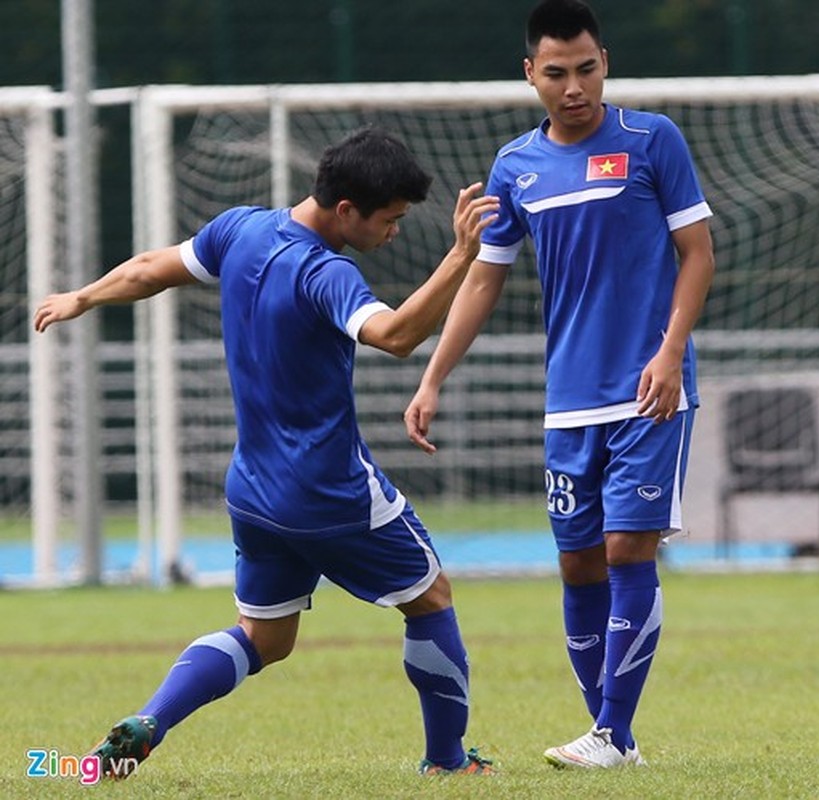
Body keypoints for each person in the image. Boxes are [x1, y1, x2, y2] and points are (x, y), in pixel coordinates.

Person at [34, 127, 500, 778]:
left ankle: (149, 722)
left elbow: (147, 270)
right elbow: (394, 336)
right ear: (346, 212)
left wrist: (82, 296)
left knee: (265, 639)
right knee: (431, 599)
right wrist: (460, 256)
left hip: (254, 491)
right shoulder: (326, 271)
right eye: (390, 220)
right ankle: (448, 763)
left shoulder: (239, 229)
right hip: (329, 491)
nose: (393, 232)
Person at [403, 0, 715, 770]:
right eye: (556, 72)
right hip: (571, 399)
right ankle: (614, 735)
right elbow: (483, 281)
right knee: (577, 562)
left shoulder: (652, 141)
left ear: (604, 62)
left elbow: (698, 253)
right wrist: (433, 376)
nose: (573, 86)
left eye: (586, 68)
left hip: (649, 387)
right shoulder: (516, 168)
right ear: (529, 74)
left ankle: (608, 734)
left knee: (625, 549)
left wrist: (671, 352)